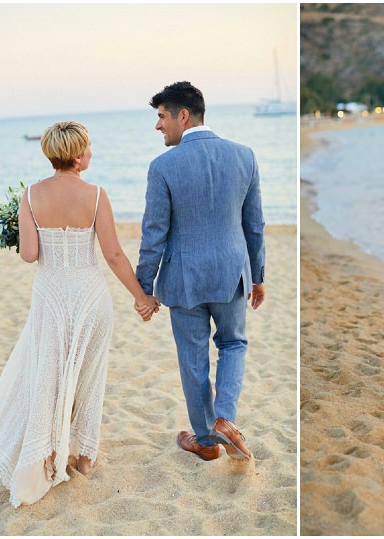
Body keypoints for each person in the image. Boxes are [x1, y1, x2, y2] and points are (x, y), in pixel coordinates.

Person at [0, 121, 158, 507]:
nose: (91, 153)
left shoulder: (30, 195)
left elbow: (29, 254)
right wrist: (141, 297)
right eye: (88, 148)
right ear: (76, 155)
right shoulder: (96, 195)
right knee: (88, 376)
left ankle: (47, 455)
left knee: (49, 375)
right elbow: (113, 255)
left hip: (50, 297)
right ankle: (84, 459)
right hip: (89, 295)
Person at [135, 81, 265, 461]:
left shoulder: (162, 166)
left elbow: (153, 233)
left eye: (161, 117)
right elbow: (254, 225)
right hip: (231, 273)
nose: (158, 126)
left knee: (193, 358)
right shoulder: (245, 156)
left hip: (183, 278)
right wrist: (258, 276)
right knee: (233, 344)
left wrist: (145, 288)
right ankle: (225, 419)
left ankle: (207, 442)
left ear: (183, 116)